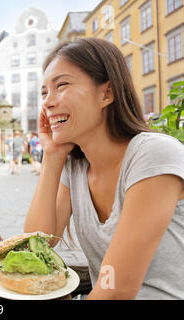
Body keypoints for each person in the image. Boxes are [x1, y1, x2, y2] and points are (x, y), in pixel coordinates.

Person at [24, 38, 184, 299]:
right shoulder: (75, 166)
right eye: (44, 93)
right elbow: (36, 245)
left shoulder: (153, 153)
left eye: (61, 85)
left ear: (107, 93)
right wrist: (52, 156)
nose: (48, 103)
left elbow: (117, 290)